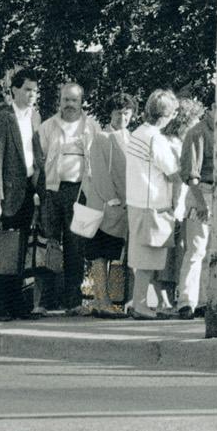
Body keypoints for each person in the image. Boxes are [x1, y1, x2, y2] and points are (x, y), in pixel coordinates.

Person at [0, 71, 47, 321]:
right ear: (14, 90)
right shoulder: (3, 118)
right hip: (7, 193)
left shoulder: (35, 117)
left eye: (35, 90)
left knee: (20, 252)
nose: (32, 94)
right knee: (2, 251)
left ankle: (16, 304)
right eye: (28, 89)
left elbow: (35, 154)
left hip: (28, 191)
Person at [36, 82, 97, 316]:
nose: (69, 104)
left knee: (76, 247)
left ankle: (73, 302)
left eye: (74, 100)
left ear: (81, 102)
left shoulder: (91, 127)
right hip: (52, 191)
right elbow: (39, 161)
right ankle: (45, 301)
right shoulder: (48, 126)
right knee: (49, 245)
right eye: (65, 100)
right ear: (59, 101)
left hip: (81, 193)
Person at [123, 90, 183, 319]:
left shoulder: (137, 133)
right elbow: (173, 173)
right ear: (166, 114)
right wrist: (175, 202)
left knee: (142, 257)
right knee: (148, 258)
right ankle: (140, 305)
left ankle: (147, 302)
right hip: (153, 203)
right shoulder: (155, 139)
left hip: (137, 201)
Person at [82, 94, 136, 317]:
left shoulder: (132, 138)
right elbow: (99, 172)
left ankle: (113, 301)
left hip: (123, 207)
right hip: (103, 206)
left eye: (126, 112)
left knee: (115, 255)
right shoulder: (102, 137)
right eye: (118, 112)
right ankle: (100, 300)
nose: (122, 117)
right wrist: (112, 199)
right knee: (99, 255)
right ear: (110, 114)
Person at [171, 89, 214, 319]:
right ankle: (186, 301)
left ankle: (205, 300)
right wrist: (200, 203)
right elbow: (190, 174)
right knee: (196, 250)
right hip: (202, 192)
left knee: (210, 252)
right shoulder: (196, 133)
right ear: (211, 108)